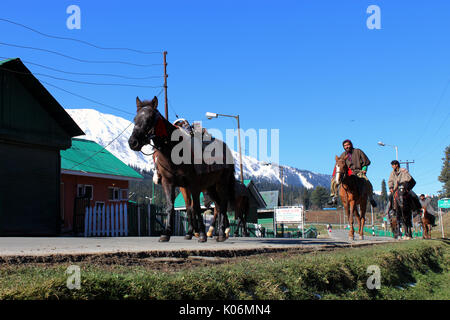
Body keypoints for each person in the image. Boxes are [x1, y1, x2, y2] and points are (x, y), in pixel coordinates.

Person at [328, 139, 377, 207]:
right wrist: (334, 175)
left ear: (351, 144)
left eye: (348, 145)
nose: (347, 147)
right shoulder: (342, 155)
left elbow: (366, 162)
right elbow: (338, 166)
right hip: (347, 173)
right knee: (334, 181)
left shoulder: (358, 151)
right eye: (345, 146)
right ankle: (334, 197)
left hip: (358, 172)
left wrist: (364, 169)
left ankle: (371, 198)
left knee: (367, 182)